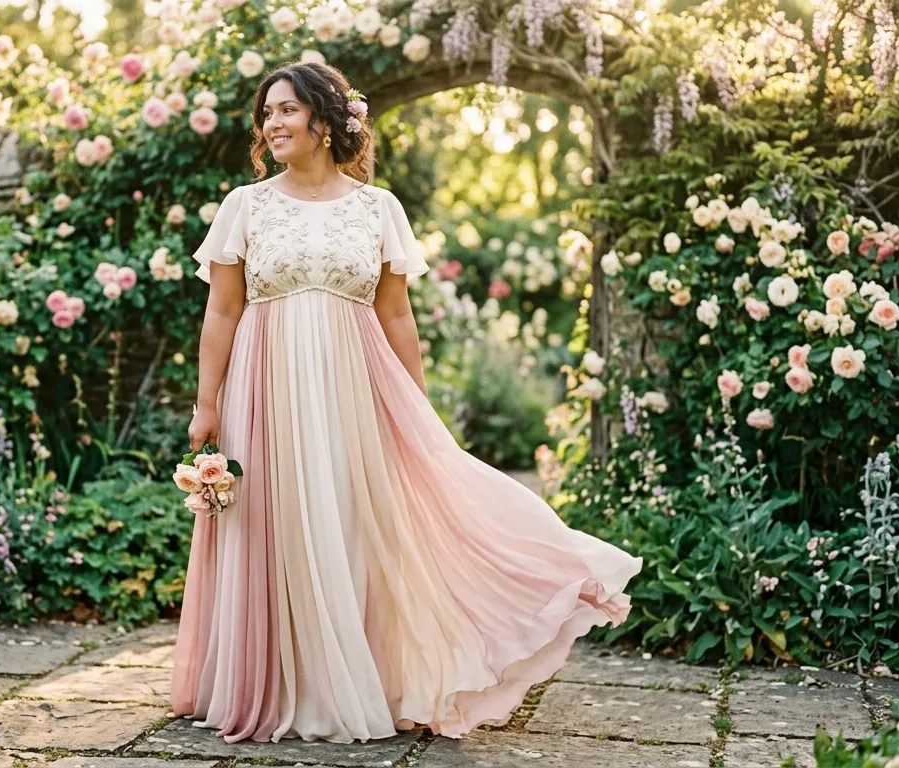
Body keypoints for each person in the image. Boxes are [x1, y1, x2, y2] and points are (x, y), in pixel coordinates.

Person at [171, 61, 642, 745]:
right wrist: (205, 403)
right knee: (275, 522)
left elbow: (396, 317)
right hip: (264, 383)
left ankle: (359, 680)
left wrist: (415, 410)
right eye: (266, 112)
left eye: (287, 110)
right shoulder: (246, 206)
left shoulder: (377, 208)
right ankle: (285, 687)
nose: (272, 123)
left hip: (356, 386)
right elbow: (222, 311)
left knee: (353, 520)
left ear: (326, 122)